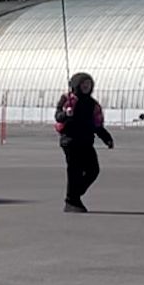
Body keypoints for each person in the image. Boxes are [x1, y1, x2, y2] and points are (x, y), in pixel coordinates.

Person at [55, 71, 114, 212]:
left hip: (86, 142)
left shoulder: (93, 104)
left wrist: (107, 138)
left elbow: (97, 125)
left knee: (93, 170)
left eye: (89, 84)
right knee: (74, 170)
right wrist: (66, 114)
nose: (86, 87)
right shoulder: (68, 100)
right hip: (70, 141)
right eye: (83, 84)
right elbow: (58, 116)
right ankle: (71, 201)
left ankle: (74, 195)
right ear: (77, 85)